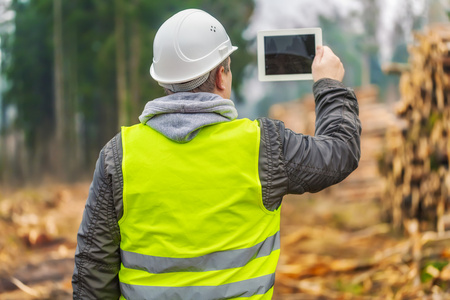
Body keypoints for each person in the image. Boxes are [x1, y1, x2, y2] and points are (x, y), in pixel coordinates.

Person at [72, 8, 361, 300]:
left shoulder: (119, 155)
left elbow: (93, 270)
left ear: (164, 82)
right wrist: (329, 86)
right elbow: (340, 151)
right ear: (221, 77)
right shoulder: (264, 147)